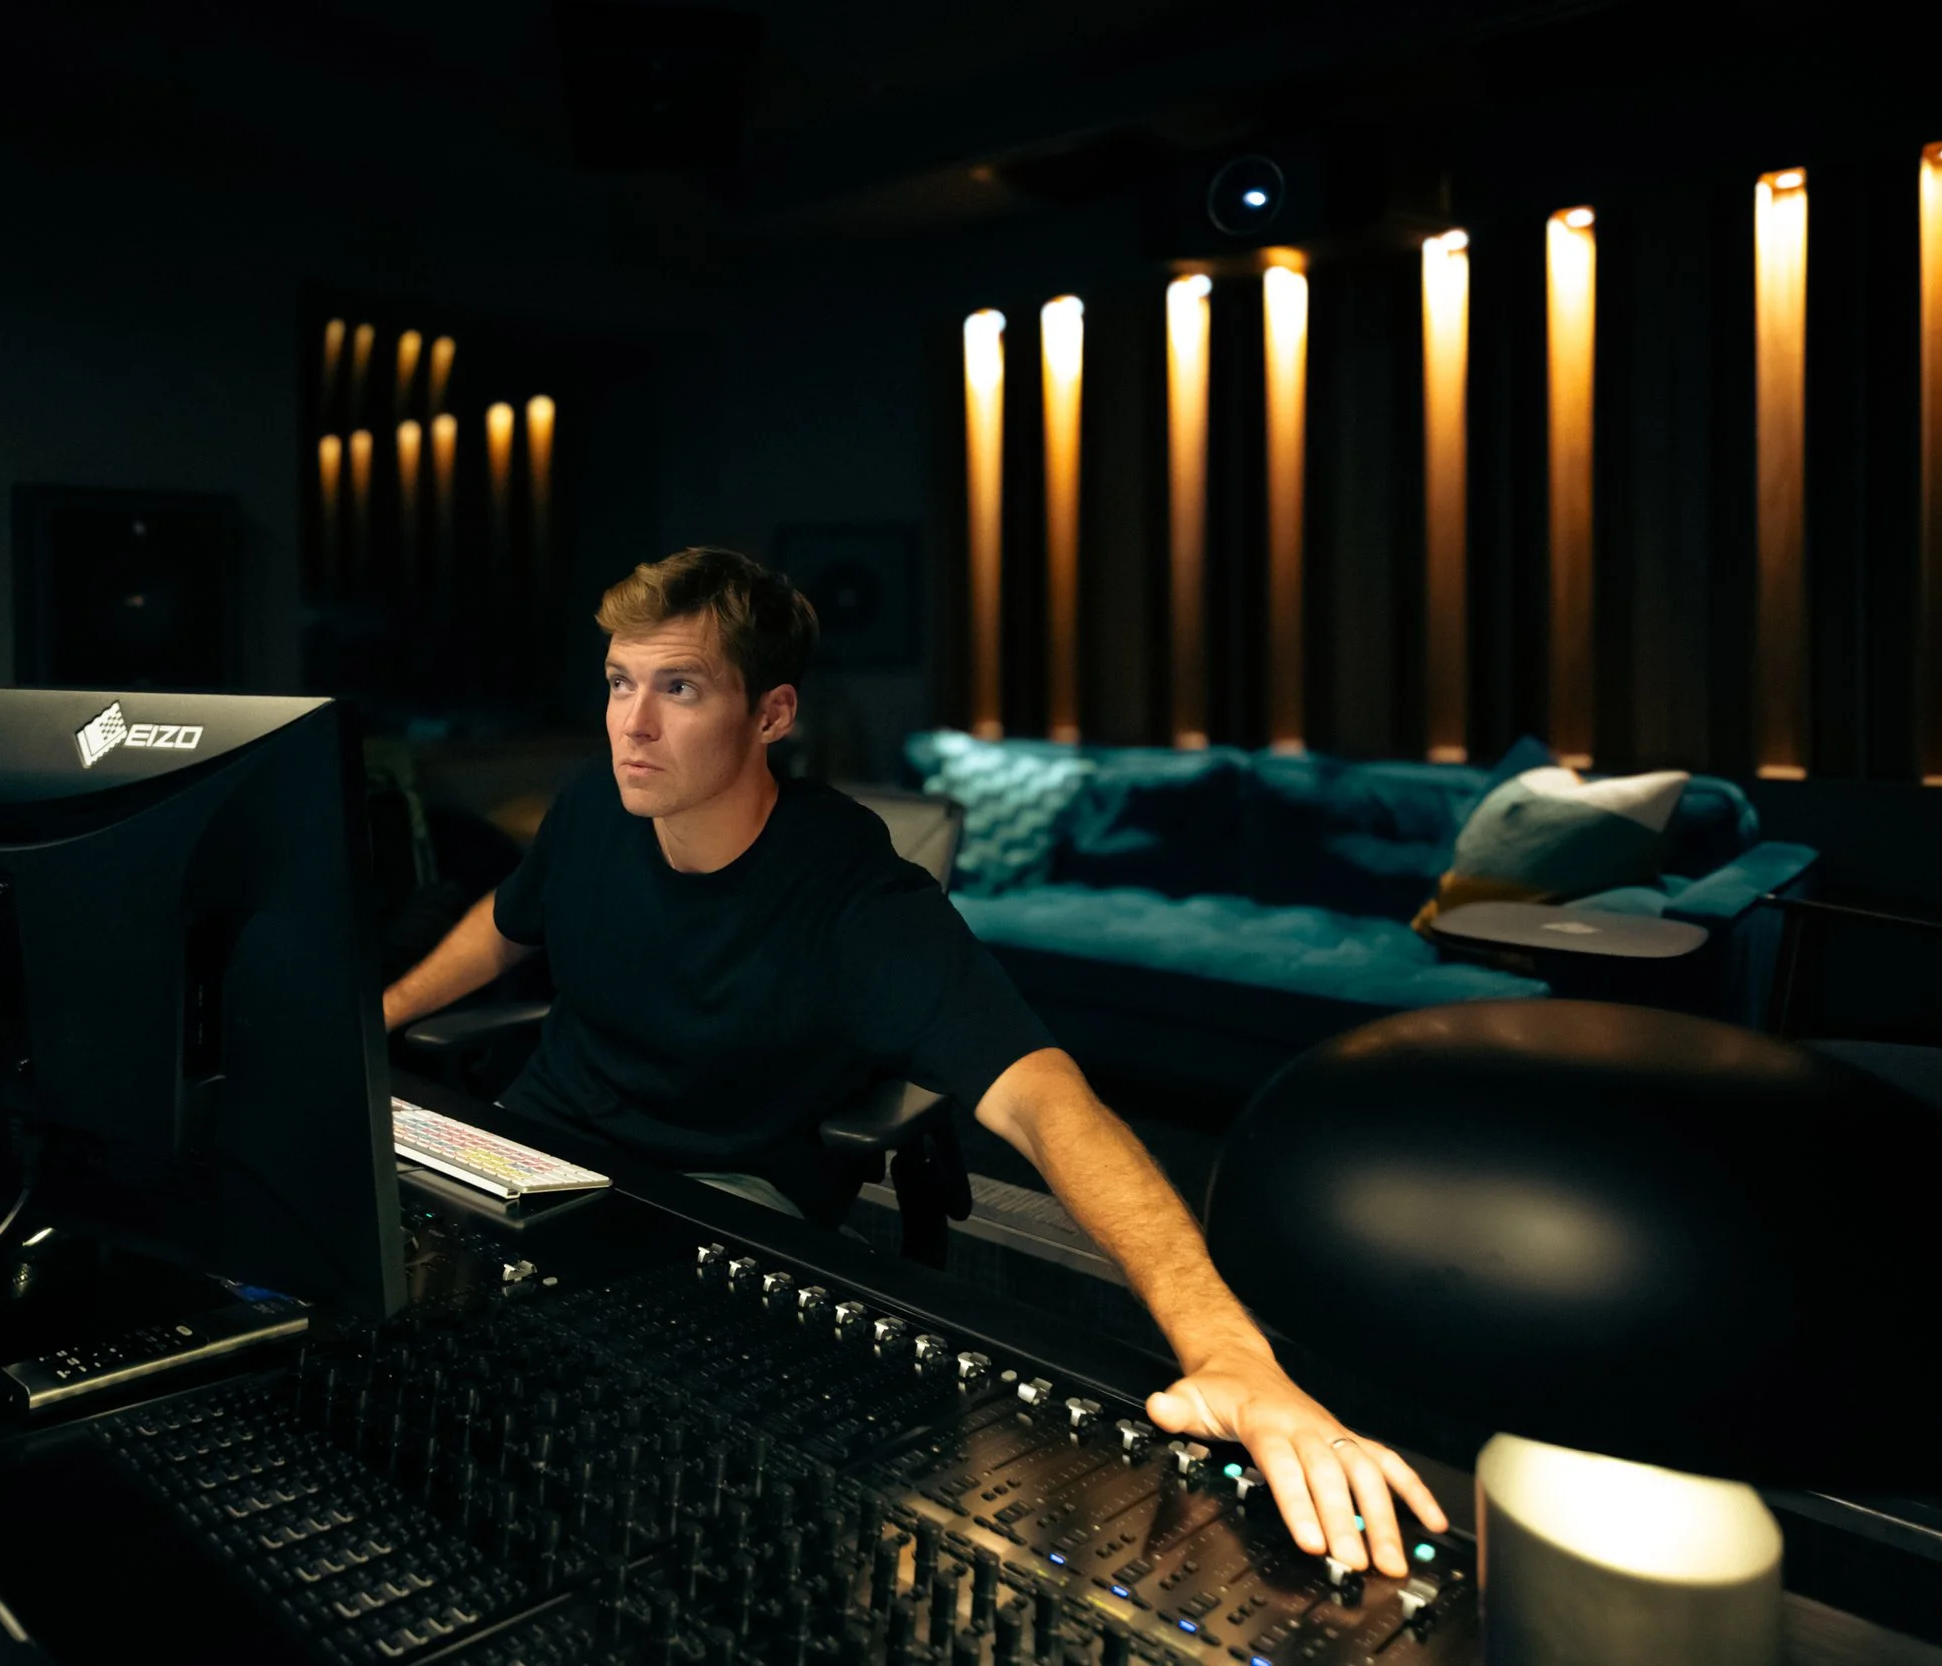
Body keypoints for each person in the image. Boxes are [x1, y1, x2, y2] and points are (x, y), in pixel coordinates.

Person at [382, 547, 1449, 1577]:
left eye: (679, 688)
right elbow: (507, 921)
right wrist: (380, 1010)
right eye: (619, 682)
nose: (633, 724)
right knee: (389, 1364)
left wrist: (1226, 1350)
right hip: (532, 1148)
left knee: (626, 1481)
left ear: (771, 715)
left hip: (706, 1204)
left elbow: (1043, 1098)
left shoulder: (857, 898)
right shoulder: (593, 809)